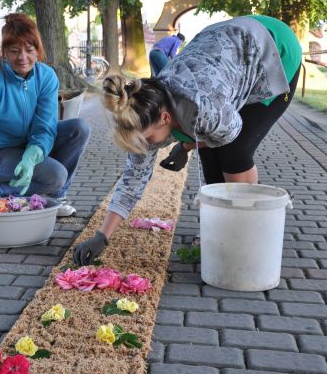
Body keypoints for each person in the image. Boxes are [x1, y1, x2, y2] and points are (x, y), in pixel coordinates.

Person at [73, 15, 301, 265]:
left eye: (148, 139)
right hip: (227, 51)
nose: (146, 146)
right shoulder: (141, 116)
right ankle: (220, 231)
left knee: (234, 152)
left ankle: (245, 234)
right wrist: (101, 236)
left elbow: (233, 131)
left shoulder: (204, 106)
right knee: (210, 153)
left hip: (275, 50)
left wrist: (185, 146)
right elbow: (132, 180)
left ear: (165, 117)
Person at [0, 13, 91, 217]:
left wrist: (31, 157)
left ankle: (56, 197)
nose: (22, 58)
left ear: (38, 51)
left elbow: (45, 127)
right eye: (14, 51)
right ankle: (4, 192)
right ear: (4, 52)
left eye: (29, 50)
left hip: (29, 145)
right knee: (56, 174)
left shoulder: (46, 77)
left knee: (79, 128)